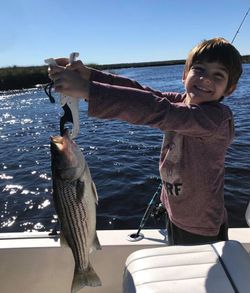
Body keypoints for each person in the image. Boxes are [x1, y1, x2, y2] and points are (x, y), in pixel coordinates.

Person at [48, 37, 242, 245]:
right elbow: (144, 93)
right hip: (174, 213)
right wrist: (91, 77)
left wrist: (89, 91)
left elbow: (157, 110)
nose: (205, 79)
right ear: (185, 74)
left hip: (201, 226)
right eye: (200, 69)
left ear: (229, 89)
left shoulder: (216, 119)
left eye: (218, 75)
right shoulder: (181, 102)